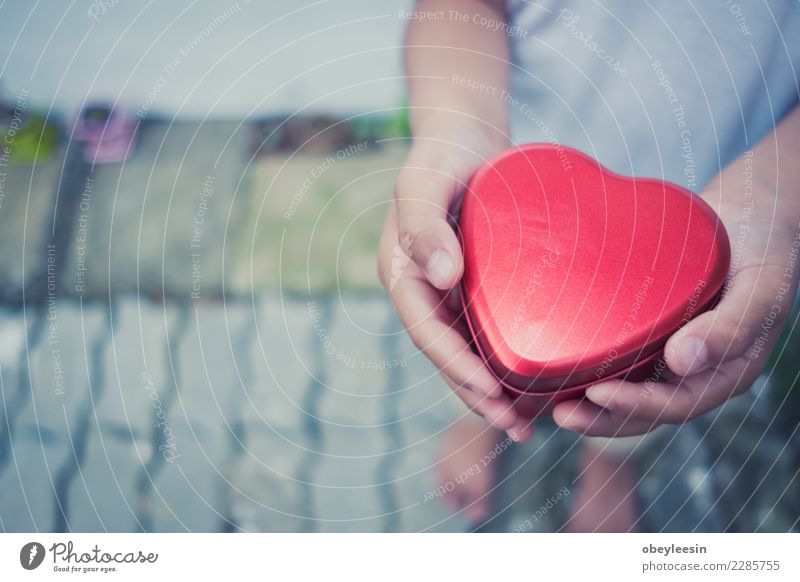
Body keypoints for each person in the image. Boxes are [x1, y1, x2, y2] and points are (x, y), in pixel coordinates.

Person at [378, 0, 800, 531]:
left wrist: (776, 195)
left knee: (650, 360)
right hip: (517, 189)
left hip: (717, 208)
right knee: (479, 321)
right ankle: (491, 410)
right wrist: (457, 128)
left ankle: (609, 457)